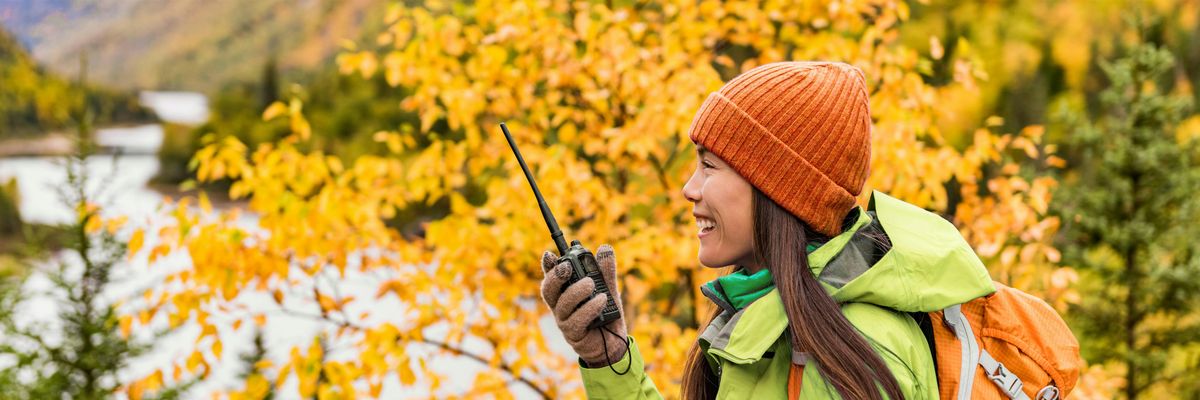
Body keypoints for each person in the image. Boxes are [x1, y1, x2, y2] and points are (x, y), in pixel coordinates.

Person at [538, 61, 996, 399]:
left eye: (709, 166)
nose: (688, 189)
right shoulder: (782, 320)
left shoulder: (847, 358)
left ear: (778, 190)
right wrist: (610, 359)